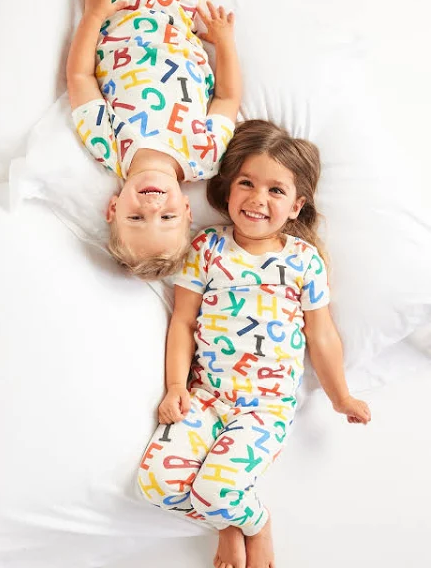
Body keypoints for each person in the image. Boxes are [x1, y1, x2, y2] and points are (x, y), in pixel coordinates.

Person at [137, 120, 371, 568]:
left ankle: (251, 522)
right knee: (156, 486)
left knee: (214, 491)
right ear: (228, 189)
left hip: (265, 408)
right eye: (246, 183)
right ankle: (237, 520)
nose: (257, 198)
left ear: (296, 206)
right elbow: (183, 321)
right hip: (205, 397)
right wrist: (175, 386)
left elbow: (321, 333)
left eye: (275, 190)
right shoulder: (206, 247)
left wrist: (341, 396)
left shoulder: (303, 261)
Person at [66, 0, 241, 279]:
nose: (152, 207)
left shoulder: (106, 146)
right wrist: (225, 42)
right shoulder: (206, 157)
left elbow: (80, 77)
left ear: (113, 208)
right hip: (179, 12)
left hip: (122, 8)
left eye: (135, 218)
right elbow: (227, 98)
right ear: (187, 210)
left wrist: (93, 15)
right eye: (168, 217)